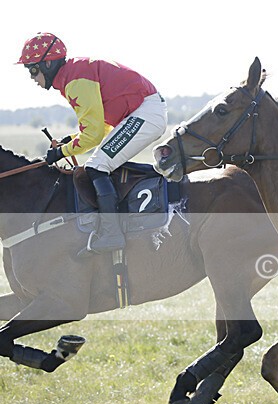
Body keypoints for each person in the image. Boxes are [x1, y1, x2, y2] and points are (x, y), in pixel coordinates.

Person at [16, 32, 167, 255]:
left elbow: (94, 134)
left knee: (97, 166)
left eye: (33, 69)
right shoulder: (73, 74)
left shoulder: (75, 80)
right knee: (102, 162)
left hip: (145, 112)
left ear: (47, 63)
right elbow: (100, 126)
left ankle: (112, 234)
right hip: (141, 112)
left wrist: (61, 153)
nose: (31, 77)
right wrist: (70, 141)